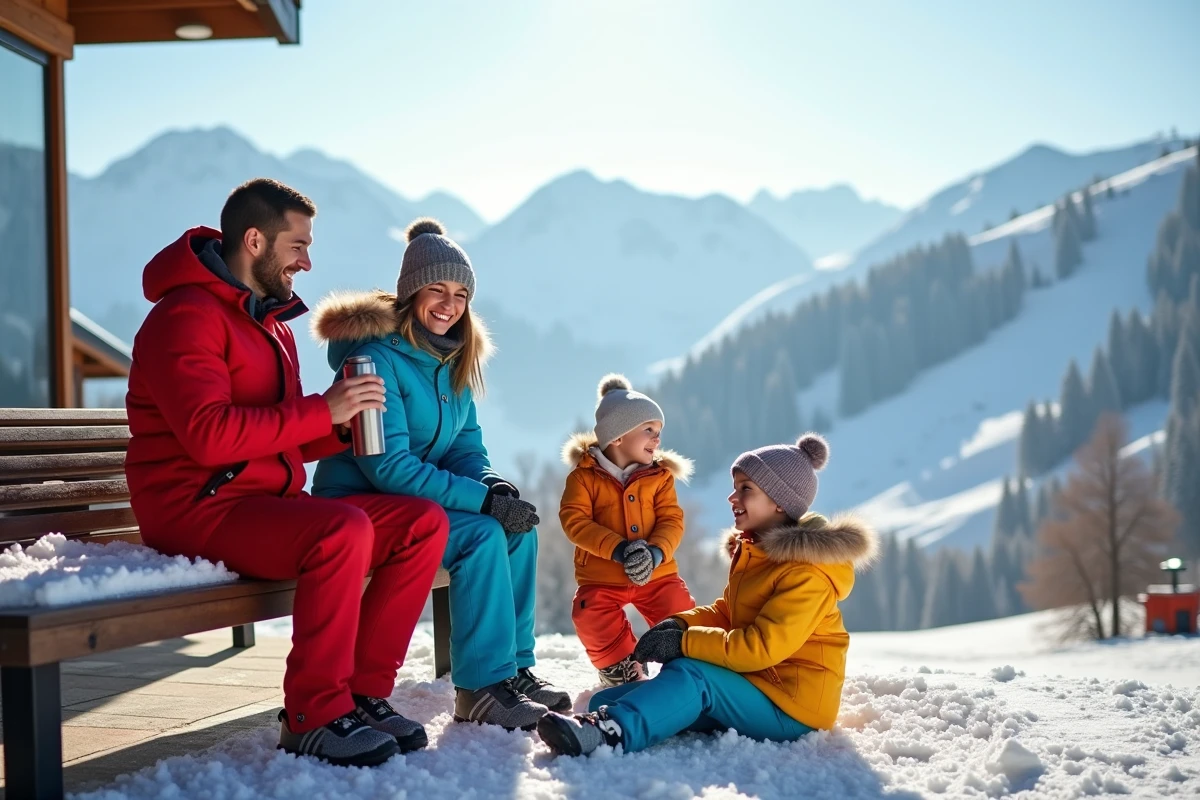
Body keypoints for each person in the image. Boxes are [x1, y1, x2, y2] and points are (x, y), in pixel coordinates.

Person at [125, 179, 450, 768]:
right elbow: (208, 436)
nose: (307, 260)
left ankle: (364, 693)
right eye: (297, 245)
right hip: (195, 509)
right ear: (255, 240)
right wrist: (321, 410)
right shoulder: (184, 317)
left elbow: (285, 440)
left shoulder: (269, 325)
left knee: (421, 522)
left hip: (263, 503)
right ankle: (313, 715)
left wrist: (340, 424)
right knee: (341, 530)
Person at [311, 218, 569, 731]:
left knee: (516, 529)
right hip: (364, 503)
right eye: (437, 289)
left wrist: (490, 484)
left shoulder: (450, 358)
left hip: (419, 501)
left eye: (461, 294)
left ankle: (513, 670)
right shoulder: (374, 359)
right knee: (479, 533)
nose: (450, 305)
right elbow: (387, 466)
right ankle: (479, 690)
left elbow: (466, 445)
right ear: (411, 293)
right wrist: (480, 502)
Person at [536, 433, 879, 757]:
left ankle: (608, 733)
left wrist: (684, 643)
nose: (733, 498)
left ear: (778, 503)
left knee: (694, 676)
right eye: (734, 488)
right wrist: (677, 625)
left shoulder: (807, 573)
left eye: (746, 489)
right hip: (757, 685)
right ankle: (612, 715)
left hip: (792, 706)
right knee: (610, 699)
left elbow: (761, 648)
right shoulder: (757, 552)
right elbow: (727, 611)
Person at [559, 374, 695, 686]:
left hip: (657, 574)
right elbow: (575, 522)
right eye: (649, 430)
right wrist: (618, 549)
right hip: (602, 575)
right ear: (617, 436)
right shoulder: (583, 478)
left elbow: (671, 520)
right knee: (589, 612)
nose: (657, 439)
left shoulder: (659, 478)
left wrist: (657, 552)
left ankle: (689, 659)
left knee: (679, 610)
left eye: (659, 432)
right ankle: (620, 665)